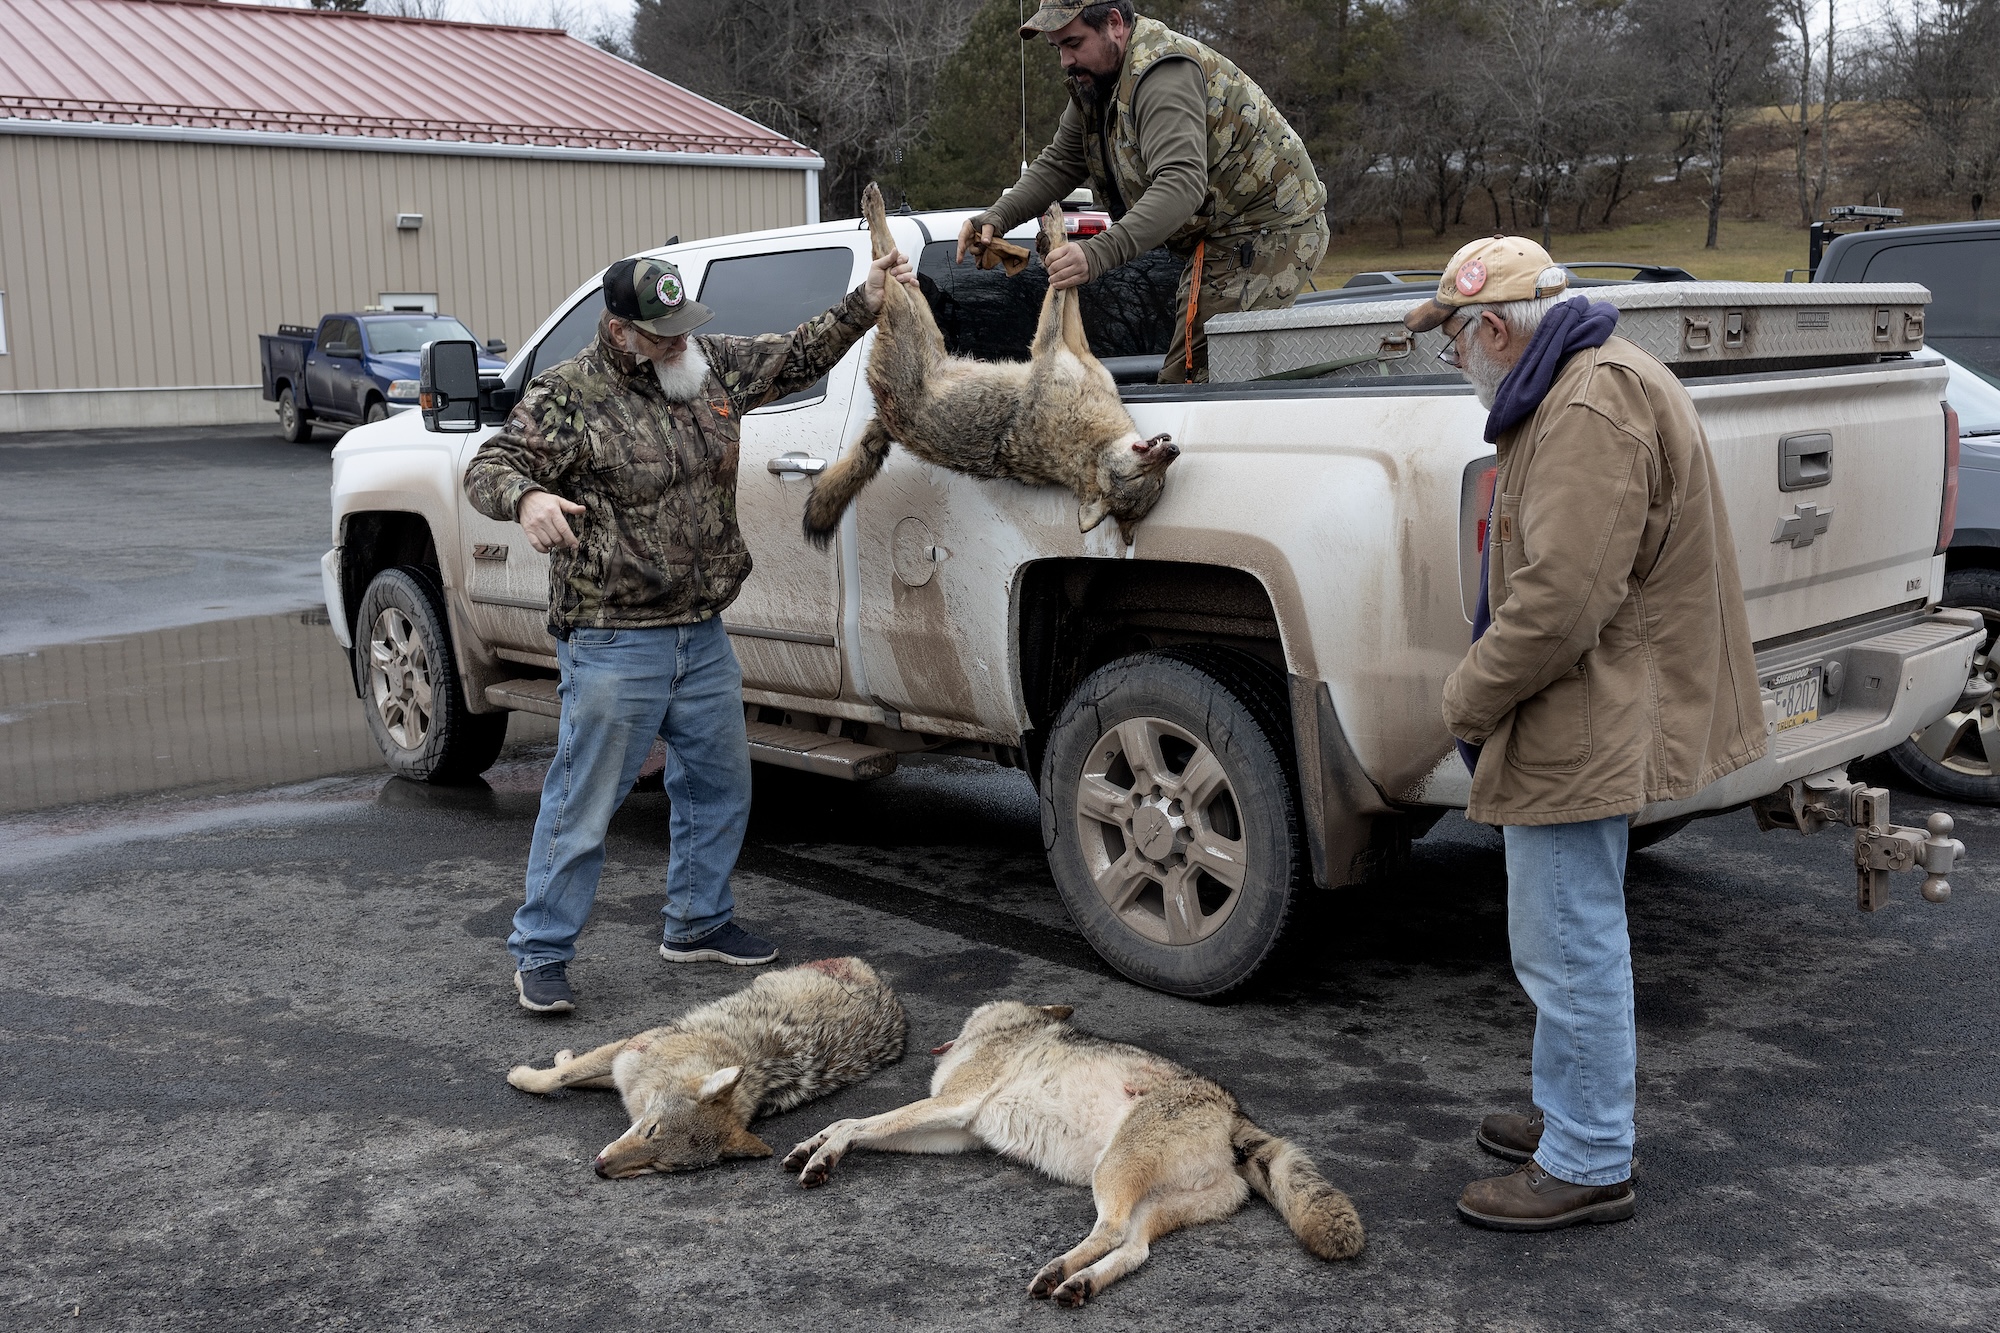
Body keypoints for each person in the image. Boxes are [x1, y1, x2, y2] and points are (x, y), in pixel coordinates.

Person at [1412, 236, 1767, 1229]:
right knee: (1564, 930)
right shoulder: (1583, 377)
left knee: (1566, 940)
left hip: (1584, 708)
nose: (1455, 367)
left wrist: (1461, 701)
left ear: (1491, 329)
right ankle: (1570, 1109)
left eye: (1451, 347)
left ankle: (1587, 1155)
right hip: (1594, 699)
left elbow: (1557, 605)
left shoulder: (1582, 406)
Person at [465, 248, 916, 1013]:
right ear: (620, 329)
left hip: (700, 631)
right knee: (585, 800)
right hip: (614, 634)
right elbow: (488, 464)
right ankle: (540, 952)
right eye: (662, 333)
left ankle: (698, 922)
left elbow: (798, 351)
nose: (681, 343)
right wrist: (528, 497)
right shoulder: (570, 395)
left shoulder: (709, 369)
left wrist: (865, 301)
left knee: (718, 784)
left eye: (685, 328)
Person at [958, 0, 1327, 384]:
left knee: (1193, 383)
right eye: (1058, 49)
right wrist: (996, 216)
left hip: (1263, 231)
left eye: (1073, 43)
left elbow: (1180, 185)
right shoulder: (1099, 80)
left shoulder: (1162, 74)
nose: (1066, 61)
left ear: (1114, 24)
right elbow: (1061, 162)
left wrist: (1095, 253)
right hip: (1216, 233)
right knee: (1191, 380)